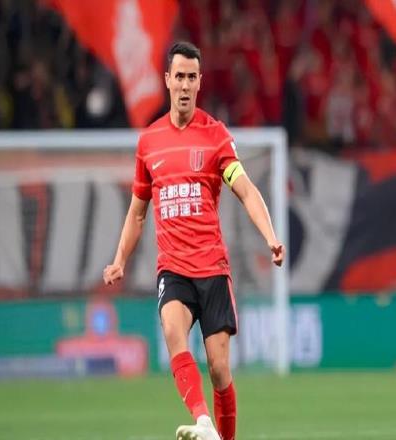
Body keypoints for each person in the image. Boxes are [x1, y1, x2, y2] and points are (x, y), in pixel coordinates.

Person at [103, 41, 285, 440]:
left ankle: (220, 435)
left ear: (199, 82)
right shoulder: (149, 143)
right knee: (173, 331)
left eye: (191, 77)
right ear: (167, 80)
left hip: (212, 268)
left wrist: (271, 236)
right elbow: (137, 212)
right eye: (179, 77)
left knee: (219, 370)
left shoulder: (216, 136)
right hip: (173, 268)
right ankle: (203, 421)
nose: (184, 85)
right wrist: (119, 260)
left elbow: (245, 190)